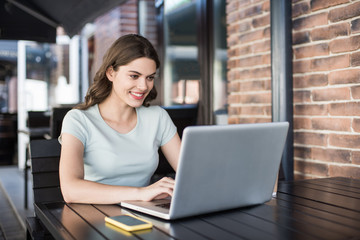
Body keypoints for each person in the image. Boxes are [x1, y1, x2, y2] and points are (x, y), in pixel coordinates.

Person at [59, 34, 181, 204]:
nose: (143, 86)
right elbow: (71, 190)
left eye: (150, 77)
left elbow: (188, 173)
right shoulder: (78, 120)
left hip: (143, 215)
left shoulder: (157, 117)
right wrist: (141, 193)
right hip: (93, 217)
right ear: (111, 73)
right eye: (134, 76)